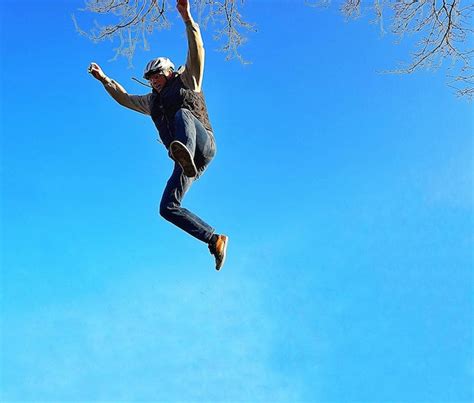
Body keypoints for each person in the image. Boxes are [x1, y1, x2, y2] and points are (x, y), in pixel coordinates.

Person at [88, 0, 228, 270]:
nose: (153, 81)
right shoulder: (152, 102)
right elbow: (125, 99)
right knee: (167, 207)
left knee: (182, 115)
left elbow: (196, 53)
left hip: (204, 143)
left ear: (169, 72)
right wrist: (104, 79)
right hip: (186, 161)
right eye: (150, 78)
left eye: (157, 75)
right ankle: (214, 239)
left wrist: (188, 20)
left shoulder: (188, 81)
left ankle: (183, 152)